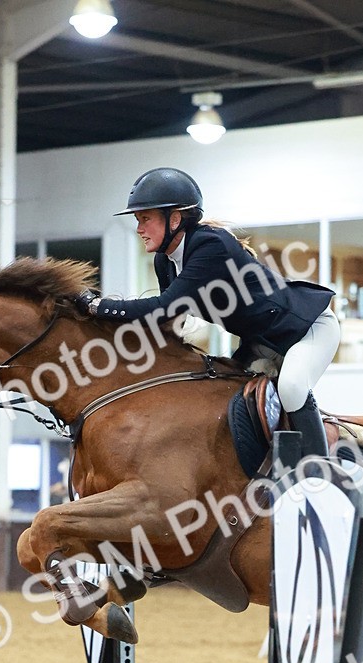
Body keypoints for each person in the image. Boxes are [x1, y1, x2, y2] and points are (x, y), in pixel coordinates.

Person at [76, 167, 340, 456]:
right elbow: (168, 324)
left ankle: (319, 467)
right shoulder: (165, 261)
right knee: (225, 395)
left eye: (145, 219)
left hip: (308, 328)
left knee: (291, 387)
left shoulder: (210, 244)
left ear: (174, 218)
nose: (139, 229)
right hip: (261, 345)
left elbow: (165, 308)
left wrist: (98, 306)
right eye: (138, 220)